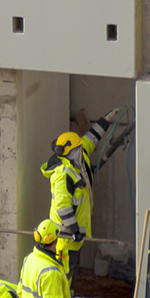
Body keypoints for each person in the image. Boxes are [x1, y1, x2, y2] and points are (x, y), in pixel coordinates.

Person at [42, 108, 125, 284]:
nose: (82, 146)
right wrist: (74, 231)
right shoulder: (62, 174)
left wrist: (105, 120)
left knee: (71, 273)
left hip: (75, 235)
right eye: (78, 146)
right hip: (65, 238)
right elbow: (63, 207)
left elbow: (91, 139)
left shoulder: (78, 156)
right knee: (65, 276)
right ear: (71, 150)